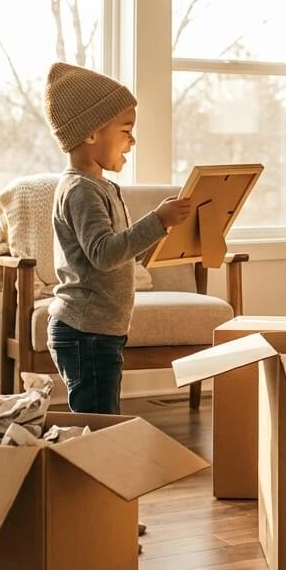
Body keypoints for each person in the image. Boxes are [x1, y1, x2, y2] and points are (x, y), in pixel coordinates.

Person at [42, 62, 192, 416]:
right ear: (92, 134)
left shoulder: (101, 187)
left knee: (103, 414)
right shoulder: (80, 190)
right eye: (126, 129)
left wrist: (166, 232)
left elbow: (123, 251)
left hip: (99, 330)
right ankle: (89, 470)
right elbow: (105, 253)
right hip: (84, 331)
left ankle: (96, 467)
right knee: (98, 420)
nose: (133, 139)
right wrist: (156, 220)